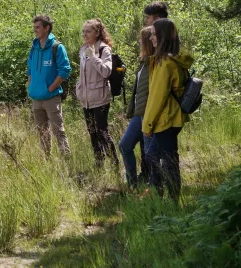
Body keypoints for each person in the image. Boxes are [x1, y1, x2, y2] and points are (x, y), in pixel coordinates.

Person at [142, 18, 193, 200]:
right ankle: (158, 193)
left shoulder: (165, 64)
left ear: (162, 37)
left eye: (154, 35)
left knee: (168, 161)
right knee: (154, 156)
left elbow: (157, 98)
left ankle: (171, 199)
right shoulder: (170, 60)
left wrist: (148, 125)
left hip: (167, 118)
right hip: (172, 117)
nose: (151, 39)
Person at [76, 18, 120, 169]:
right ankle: (99, 163)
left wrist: (94, 56)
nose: (85, 34)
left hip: (100, 98)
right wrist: (79, 88)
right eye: (83, 31)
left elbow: (106, 71)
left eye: (88, 31)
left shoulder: (103, 49)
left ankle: (115, 164)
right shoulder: (83, 49)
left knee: (102, 132)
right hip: (86, 99)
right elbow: (82, 74)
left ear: (97, 32)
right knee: (92, 132)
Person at [27, 14, 72, 158]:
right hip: (36, 97)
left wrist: (51, 88)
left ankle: (66, 159)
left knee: (58, 131)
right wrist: (31, 85)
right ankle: (47, 160)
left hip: (51, 98)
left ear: (47, 28)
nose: (35, 30)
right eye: (34, 27)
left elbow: (65, 70)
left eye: (38, 27)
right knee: (42, 132)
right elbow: (30, 70)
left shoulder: (57, 47)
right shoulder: (34, 48)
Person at [119, 27, 154, 187]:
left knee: (149, 153)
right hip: (138, 114)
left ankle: (154, 187)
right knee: (125, 145)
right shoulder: (143, 63)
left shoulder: (154, 63)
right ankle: (132, 183)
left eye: (141, 39)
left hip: (149, 114)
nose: (138, 41)